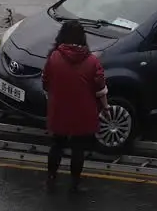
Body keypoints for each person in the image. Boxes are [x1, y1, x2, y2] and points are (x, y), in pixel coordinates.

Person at [43, 20, 108, 192]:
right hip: (83, 112)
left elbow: (46, 83)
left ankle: (51, 177)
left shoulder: (54, 57)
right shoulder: (92, 61)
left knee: (57, 144)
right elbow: (100, 87)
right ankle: (75, 182)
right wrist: (106, 107)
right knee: (78, 148)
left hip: (59, 110)